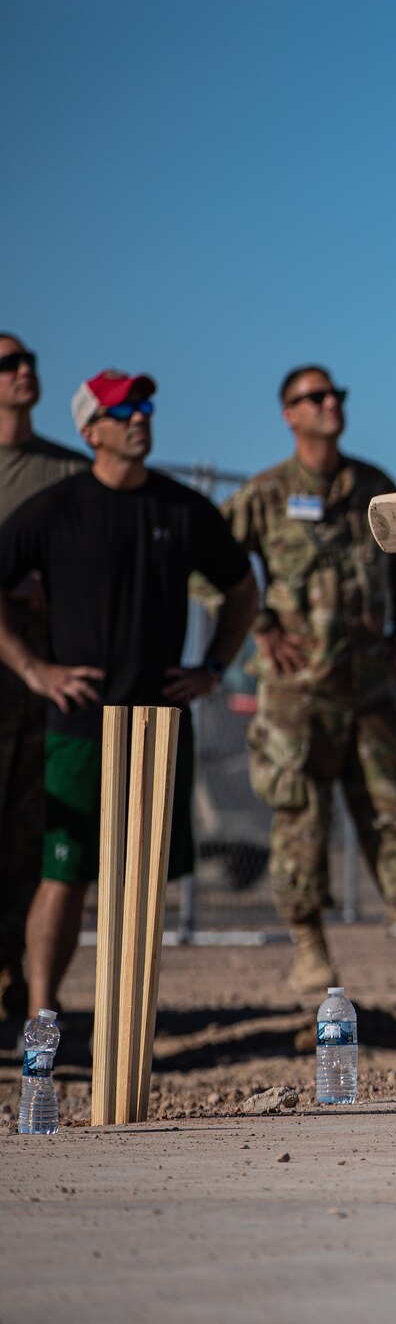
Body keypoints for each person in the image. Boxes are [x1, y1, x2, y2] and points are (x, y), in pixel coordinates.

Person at [0, 370, 259, 1018]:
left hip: (159, 722)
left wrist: (213, 667)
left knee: (138, 883)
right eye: (122, 410)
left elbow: (241, 589)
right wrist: (35, 670)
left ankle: (125, 1018)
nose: (140, 417)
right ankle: (42, 1016)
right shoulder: (58, 509)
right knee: (64, 872)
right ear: (91, 431)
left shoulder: (181, 508)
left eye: (144, 405)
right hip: (82, 723)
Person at [220, 365, 396, 997]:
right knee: (300, 819)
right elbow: (212, 567)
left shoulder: (374, 490)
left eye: (335, 394)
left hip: (370, 690)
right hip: (297, 695)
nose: (329, 403)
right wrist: (259, 629)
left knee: (394, 814)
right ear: (289, 413)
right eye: (314, 397)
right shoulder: (264, 496)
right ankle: (309, 951)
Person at [0, 335, 88, 1037]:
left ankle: (29, 1003)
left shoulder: (66, 471)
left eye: (27, 360)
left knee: (41, 839)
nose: (24, 370)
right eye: (7, 363)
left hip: (46, 686)